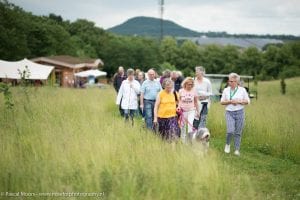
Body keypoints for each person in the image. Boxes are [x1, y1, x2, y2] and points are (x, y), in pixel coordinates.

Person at [221, 73, 250, 156]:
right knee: (230, 131)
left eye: (233, 81)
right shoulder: (226, 90)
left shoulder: (242, 90)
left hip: (240, 112)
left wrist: (239, 101)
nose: (231, 83)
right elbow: (222, 102)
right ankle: (227, 144)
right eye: (229, 81)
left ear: (237, 82)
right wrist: (230, 101)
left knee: (238, 132)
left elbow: (247, 101)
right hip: (229, 112)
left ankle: (237, 149)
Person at [178, 77, 199, 143]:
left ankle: (189, 141)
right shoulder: (181, 91)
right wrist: (178, 107)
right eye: (188, 84)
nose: (190, 86)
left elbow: (196, 102)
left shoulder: (194, 91)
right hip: (183, 111)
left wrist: (198, 111)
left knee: (190, 126)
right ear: (185, 84)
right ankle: (183, 142)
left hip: (191, 111)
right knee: (182, 127)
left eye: (191, 84)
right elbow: (179, 101)